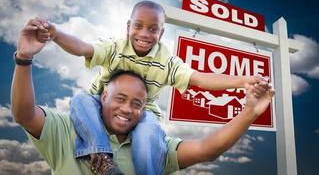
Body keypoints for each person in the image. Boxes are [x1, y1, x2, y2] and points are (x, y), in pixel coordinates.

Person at [11, 20, 274, 175]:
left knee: (150, 129)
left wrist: (247, 104)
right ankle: (100, 157)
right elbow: (24, 114)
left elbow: (206, 146)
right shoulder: (68, 129)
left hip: (149, 127)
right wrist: (30, 54)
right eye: (119, 98)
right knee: (81, 101)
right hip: (88, 112)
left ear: (160, 33)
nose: (126, 108)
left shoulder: (152, 136)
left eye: (136, 103)